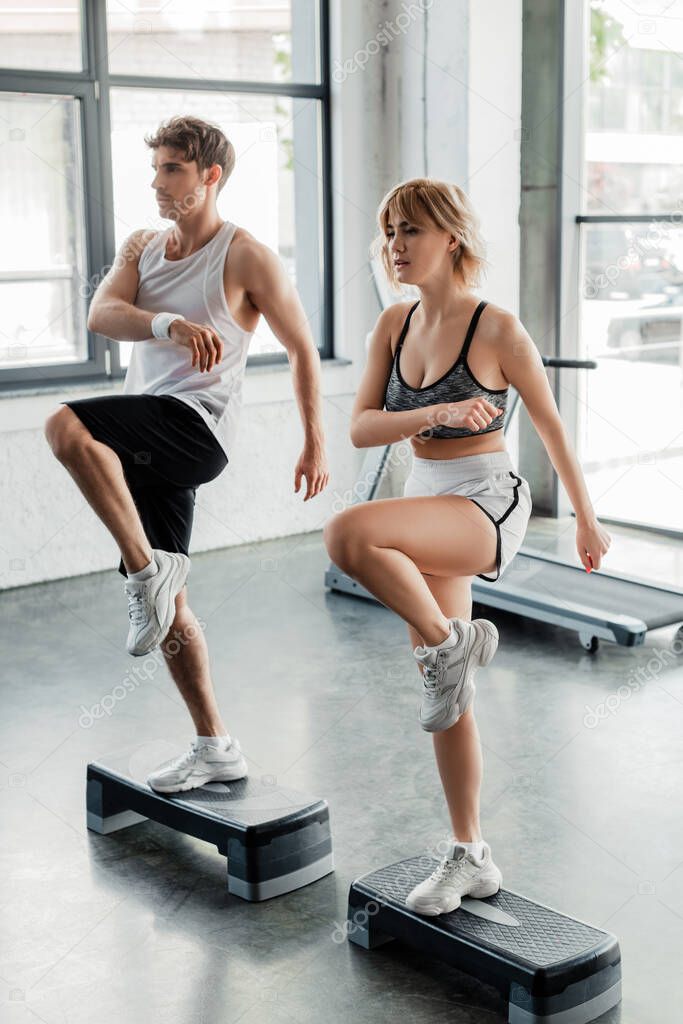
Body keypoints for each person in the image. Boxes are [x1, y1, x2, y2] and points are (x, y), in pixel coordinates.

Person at [323, 177, 611, 917]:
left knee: (348, 533)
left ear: (451, 237)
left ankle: (449, 646)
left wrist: (583, 516)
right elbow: (359, 427)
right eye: (388, 231)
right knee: (444, 692)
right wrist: (439, 409)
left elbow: (548, 427)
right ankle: (469, 852)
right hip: (427, 496)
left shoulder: (496, 329)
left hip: (484, 498)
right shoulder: (391, 325)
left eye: (410, 230)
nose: (394, 246)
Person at [45, 115, 329, 794]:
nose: (157, 182)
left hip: (196, 428)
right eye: (155, 169)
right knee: (176, 603)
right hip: (147, 437)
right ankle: (215, 744)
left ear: (210, 176)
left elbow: (301, 348)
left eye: (172, 169)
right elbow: (102, 315)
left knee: (65, 427)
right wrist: (167, 323)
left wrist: (315, 440)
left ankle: (147, 577)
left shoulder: (245, 255)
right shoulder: (142, 246)